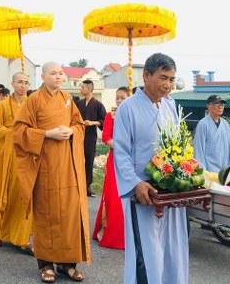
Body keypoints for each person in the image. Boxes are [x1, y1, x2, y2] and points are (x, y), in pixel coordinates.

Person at [114, 53, 188, 284]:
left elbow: (177, 146)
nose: (167, 85)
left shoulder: (170, 106)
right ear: (146, 76)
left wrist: (183, 174)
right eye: (163, 77)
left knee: (172, 251)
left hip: (170, 192)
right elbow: (121, 152)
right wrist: (135, 183)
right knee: (148, 254)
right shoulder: (128, 108)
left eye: (172, 79)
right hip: (144, 194)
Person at [14, 62, 89, 283]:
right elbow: (19, 132)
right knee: (46, 213)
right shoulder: (33, 100)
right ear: (43, 76)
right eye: (53, 73)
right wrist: (47, 133)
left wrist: (72, 130)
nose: (58, 76)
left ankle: (68, 264)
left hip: (67, 166)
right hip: (44, 165)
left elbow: (80, 125)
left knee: (69, 214)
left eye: (60, 73)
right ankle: (46, 264)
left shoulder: (67, 99)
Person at [0, 72, 33, 251]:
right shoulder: (2, 106)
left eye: (26, 83)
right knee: (3, 192)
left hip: (27, 156)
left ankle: (23, 238)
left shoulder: (32, 105)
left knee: (24, 196)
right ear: (13, 83)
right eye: (20, 82)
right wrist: (12, 133)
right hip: (7, 157)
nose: (23, 86)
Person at [93, 87, 129, 250]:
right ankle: (108, 230)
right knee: (113, 195)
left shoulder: (132, 115)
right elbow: (106, 137)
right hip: (115, 159)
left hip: (131, 161)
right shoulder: (110, 115)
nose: (119, 101)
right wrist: (122, 147)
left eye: (123, 98)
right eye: (117, 98)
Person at [193, 95, 230, 173]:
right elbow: (199, 150)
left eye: (222, 104)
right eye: (216, 104)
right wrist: (203, 172)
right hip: (210, 172)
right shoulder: (203, 124)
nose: (220, 106)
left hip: (224, 172)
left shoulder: (225, 124)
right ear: (209, 106)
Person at [76, 79, 107, 197]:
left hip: (90, 137)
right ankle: (78, 185)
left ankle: (87, 186)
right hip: (78, 136)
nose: (81, 89)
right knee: (78, 160)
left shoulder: (98, 105)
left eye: (82, 87)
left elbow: (103, 121)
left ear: (89, 89)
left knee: (89, 161)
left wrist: (92, 122)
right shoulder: (78, 103)